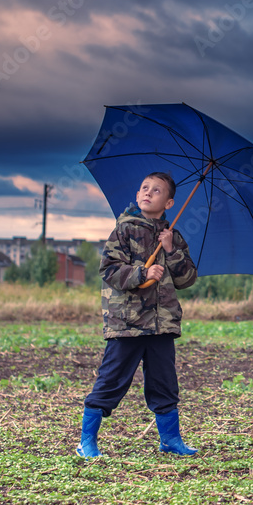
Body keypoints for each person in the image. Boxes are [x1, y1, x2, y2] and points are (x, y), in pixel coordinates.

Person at [76, 171, 199, 458]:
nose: (148, 192)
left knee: (164, 383)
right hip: (127, 323)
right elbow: (109, 271)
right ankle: (87, 441)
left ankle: (170, 440)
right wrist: (143, 272)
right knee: (112, 379)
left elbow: (187, 279)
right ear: (137, 195)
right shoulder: (124, 230)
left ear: (169, 203)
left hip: (162, 324)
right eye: (144, 187)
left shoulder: (173, 236)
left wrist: (170, 250)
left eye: (156, 190)